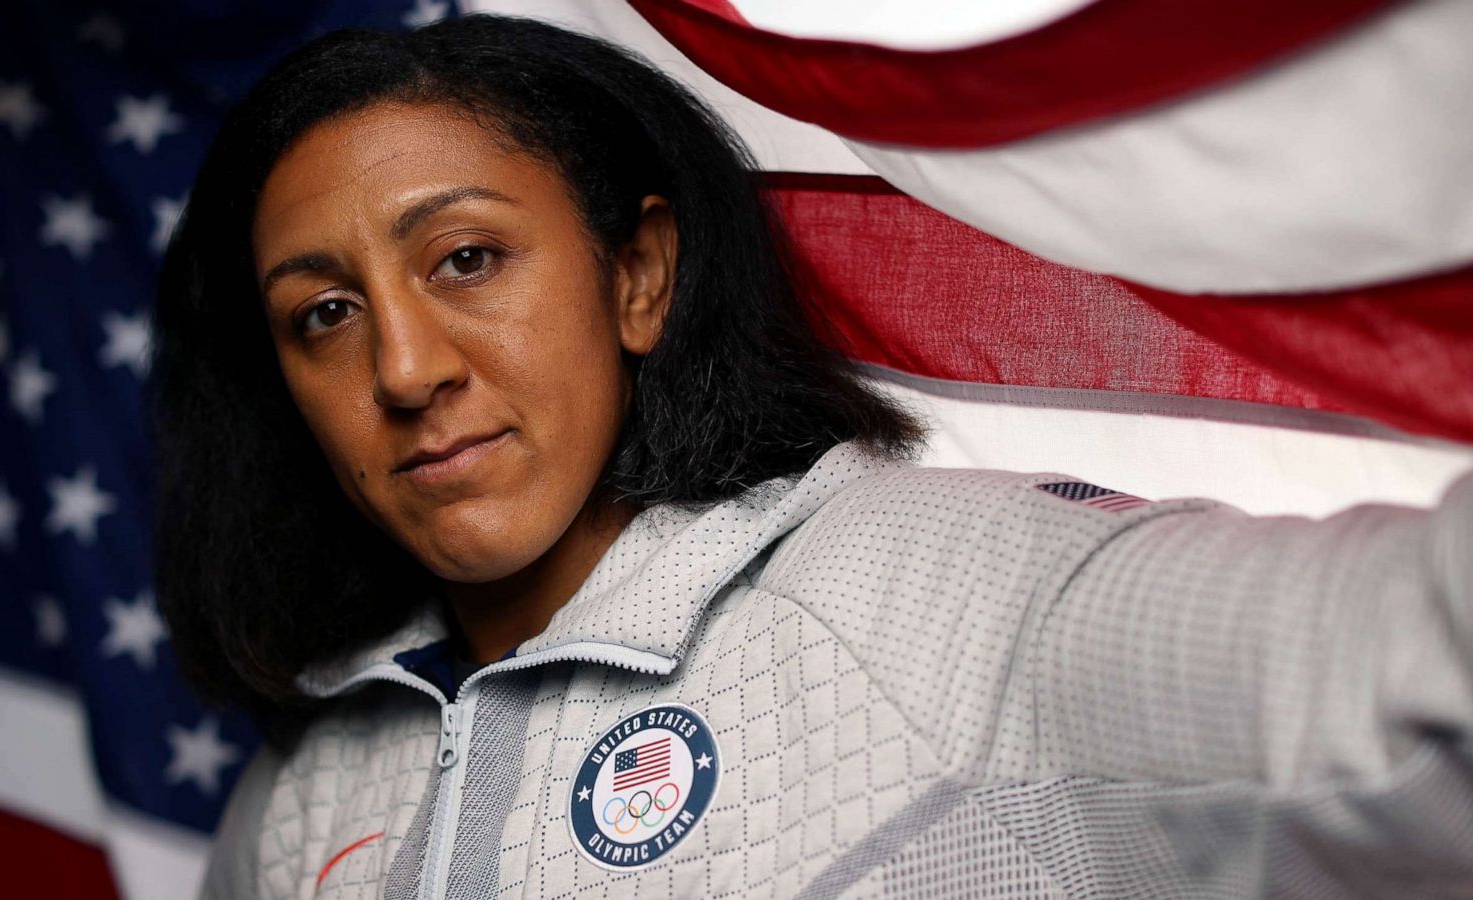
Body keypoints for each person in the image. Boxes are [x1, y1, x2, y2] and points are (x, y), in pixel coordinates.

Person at [151, 14, 1473, 900]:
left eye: (468, 260)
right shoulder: (308, 791)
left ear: (641, 277)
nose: (403, 367)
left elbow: (1416, 667)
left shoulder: (942, 599)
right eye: (323, 314)